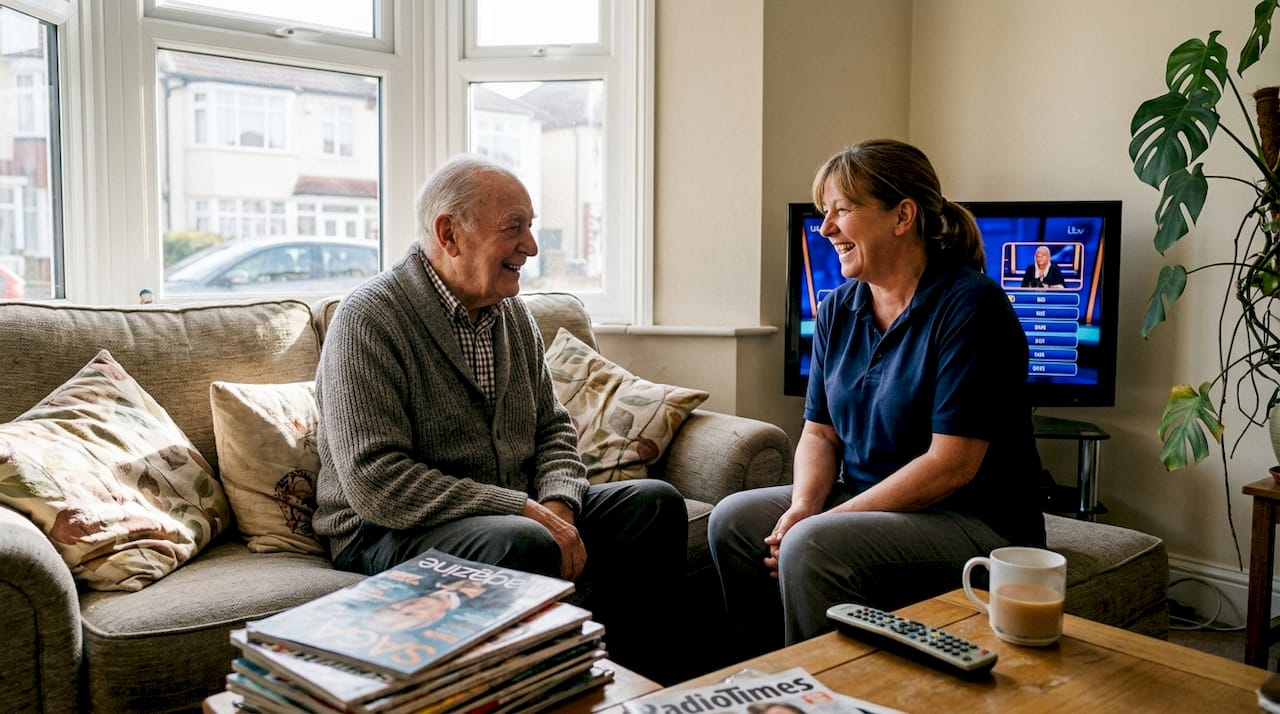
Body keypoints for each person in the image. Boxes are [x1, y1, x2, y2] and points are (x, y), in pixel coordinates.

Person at [312, 154, 688, 682]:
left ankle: (634, 687)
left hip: (512, 510)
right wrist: (526, 510)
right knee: (521, 540)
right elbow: (378, 484)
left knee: (655, 504)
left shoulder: (512, 315)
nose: (531, 247)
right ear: (450, 233)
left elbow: (552, 427)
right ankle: (545, 688)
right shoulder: (369, 319)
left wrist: (557, 504)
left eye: (530, 228)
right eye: (514, 228)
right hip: (380, 531)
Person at [707, 139, 1045, 656]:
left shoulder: (971, 307)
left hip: (973, 520)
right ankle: (766, 679)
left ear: (902, 216)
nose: (826, 229)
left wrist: (824, 522)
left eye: (842, 209)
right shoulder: (839, 308)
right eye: (825, 213)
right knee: (732, 519)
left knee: (812, 543)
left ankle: (821, 694)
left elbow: (950, 466)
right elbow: (819, 433)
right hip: (871, 500)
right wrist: (804, 505)